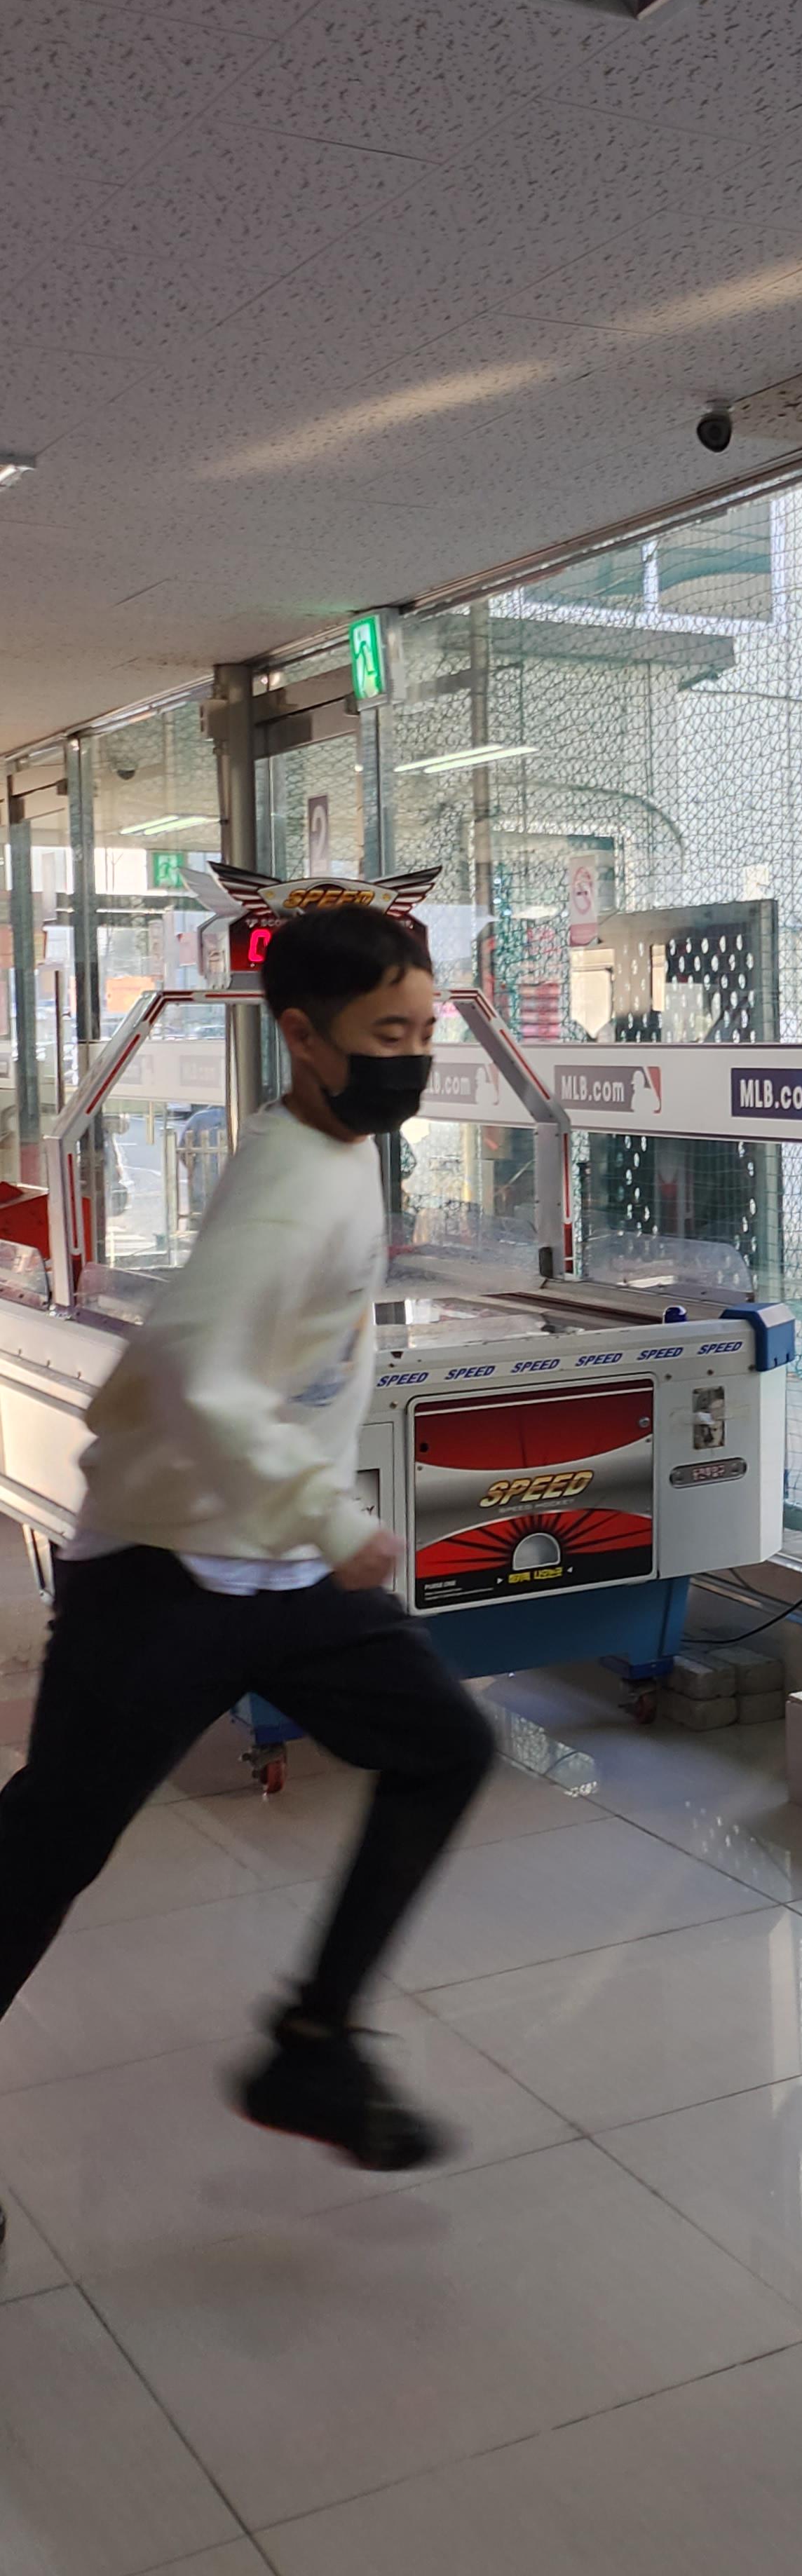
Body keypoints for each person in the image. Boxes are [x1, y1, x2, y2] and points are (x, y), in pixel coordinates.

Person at [0, 904, 494, 2176]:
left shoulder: (339, 1147)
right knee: (51, 1844)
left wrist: (309, 1522)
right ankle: (314, 2045)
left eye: (423, 1031)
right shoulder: (287, 1184)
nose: (411, 1057)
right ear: (303, 1036)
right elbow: (194, 1368)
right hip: (167, 1566)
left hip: (273, 1561)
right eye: (386, 1033)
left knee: (444, 1747)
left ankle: (313, 2047)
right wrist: (329, 1514)